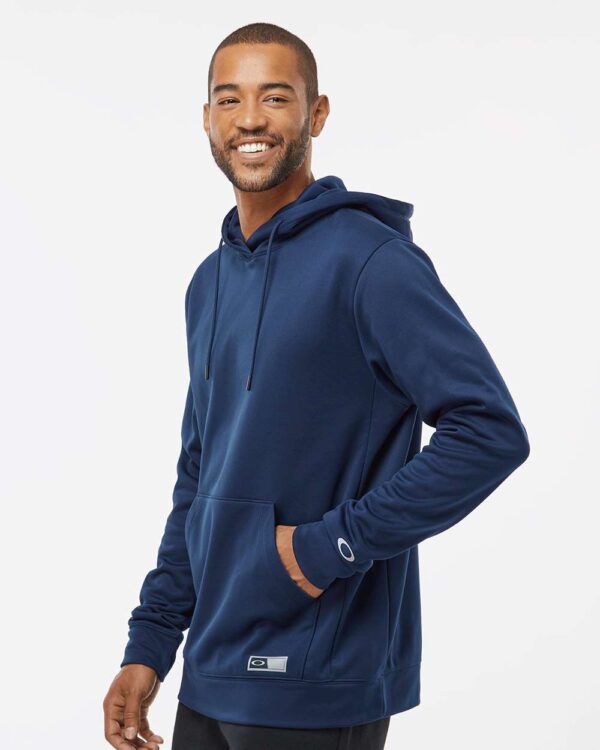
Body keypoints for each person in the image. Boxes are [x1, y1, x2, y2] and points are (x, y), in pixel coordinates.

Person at [103, 22, 530, 750]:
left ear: (317, 113)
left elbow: (488, 431)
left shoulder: (370, 262)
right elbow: (200, 477)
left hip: (318, 674)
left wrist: (328, 547)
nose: (250, 119)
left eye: (275, 97)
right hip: (212, 667)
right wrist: (151, 643)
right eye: (229, 99)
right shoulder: (209, 283)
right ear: (206, 118)